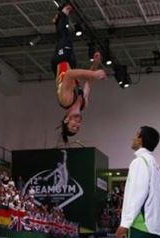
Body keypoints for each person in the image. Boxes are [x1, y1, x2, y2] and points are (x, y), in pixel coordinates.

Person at [51, 2, 107, 142]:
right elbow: (88, 84)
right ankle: (58, 20)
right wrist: (94, 65)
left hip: (60, 63)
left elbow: (69, 75)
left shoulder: (65, 101)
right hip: (71, 65)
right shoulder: (83, 104)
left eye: (73, 126)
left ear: (66, 121)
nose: (77, 124)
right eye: (78, 127)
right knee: (63, 39)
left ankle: (64, 12)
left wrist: (93, 74)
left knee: (66, 39)